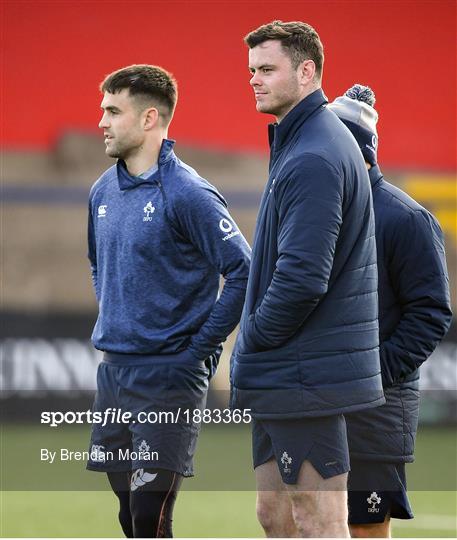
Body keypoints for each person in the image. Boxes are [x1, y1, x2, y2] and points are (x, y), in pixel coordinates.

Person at [230, 21, 385, 538]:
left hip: (304, 375)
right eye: (252, 70)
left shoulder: (315, 152)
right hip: (288, 373)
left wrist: (252, 338)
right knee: (275, 516)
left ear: (306, 70)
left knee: (319, 523)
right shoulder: (301, 142)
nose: (254, 80)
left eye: (267, 69)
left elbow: (301, 278)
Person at [86, 64, 250, 538]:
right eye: (103, 110)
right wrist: (119, 318)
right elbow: (98, 263)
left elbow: (243, 270)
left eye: (113, 111)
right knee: (127, 515)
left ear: (149, 119)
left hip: (169, 376)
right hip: (114, 373)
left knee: (149, 518)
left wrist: (198, 350)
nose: (102, 121)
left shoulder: (189, 194)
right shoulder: (100, 190)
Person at [328, 84, 452, 538]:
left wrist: (370, 373)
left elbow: (431, 314)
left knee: (364, 527)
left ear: (353, 148)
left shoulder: (407, 218)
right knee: (306, 521)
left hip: (378, 404)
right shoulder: (318, 213)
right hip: (315, 399)